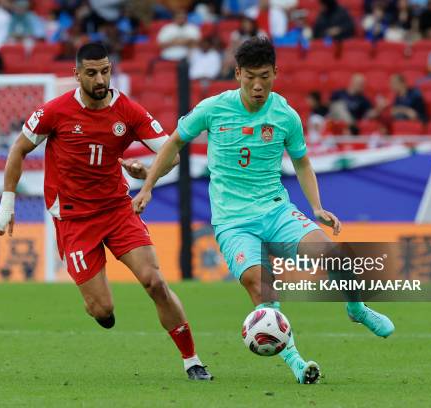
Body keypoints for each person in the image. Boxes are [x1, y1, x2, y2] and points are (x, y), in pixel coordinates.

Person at [132, 37, 395, 384]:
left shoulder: (285, 115)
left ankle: (356, 308)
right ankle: (299, 365)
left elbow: (302, 162)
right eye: (250, 77)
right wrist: (148, 186)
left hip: (276, 211)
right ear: (237, 73)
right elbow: (173, 143)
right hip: (233, 222)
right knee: (261, 286)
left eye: (266, 77)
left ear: (276, 73)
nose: (258, 86)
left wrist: (316, 206)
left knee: (335, 254)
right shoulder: (213, 109)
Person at [0, 43, 212, 381]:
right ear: (77, 74)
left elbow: (172, 153)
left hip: (117, 210)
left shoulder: (129, 111)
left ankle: (192, 360)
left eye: (105, 71)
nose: (100, 79)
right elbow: (18, 149)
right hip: (74, 219)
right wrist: (7, 204)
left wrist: (148, 172)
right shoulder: (55, 111)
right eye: (92, 73)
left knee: (155, 282)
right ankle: (96, 301)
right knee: (102, 310)